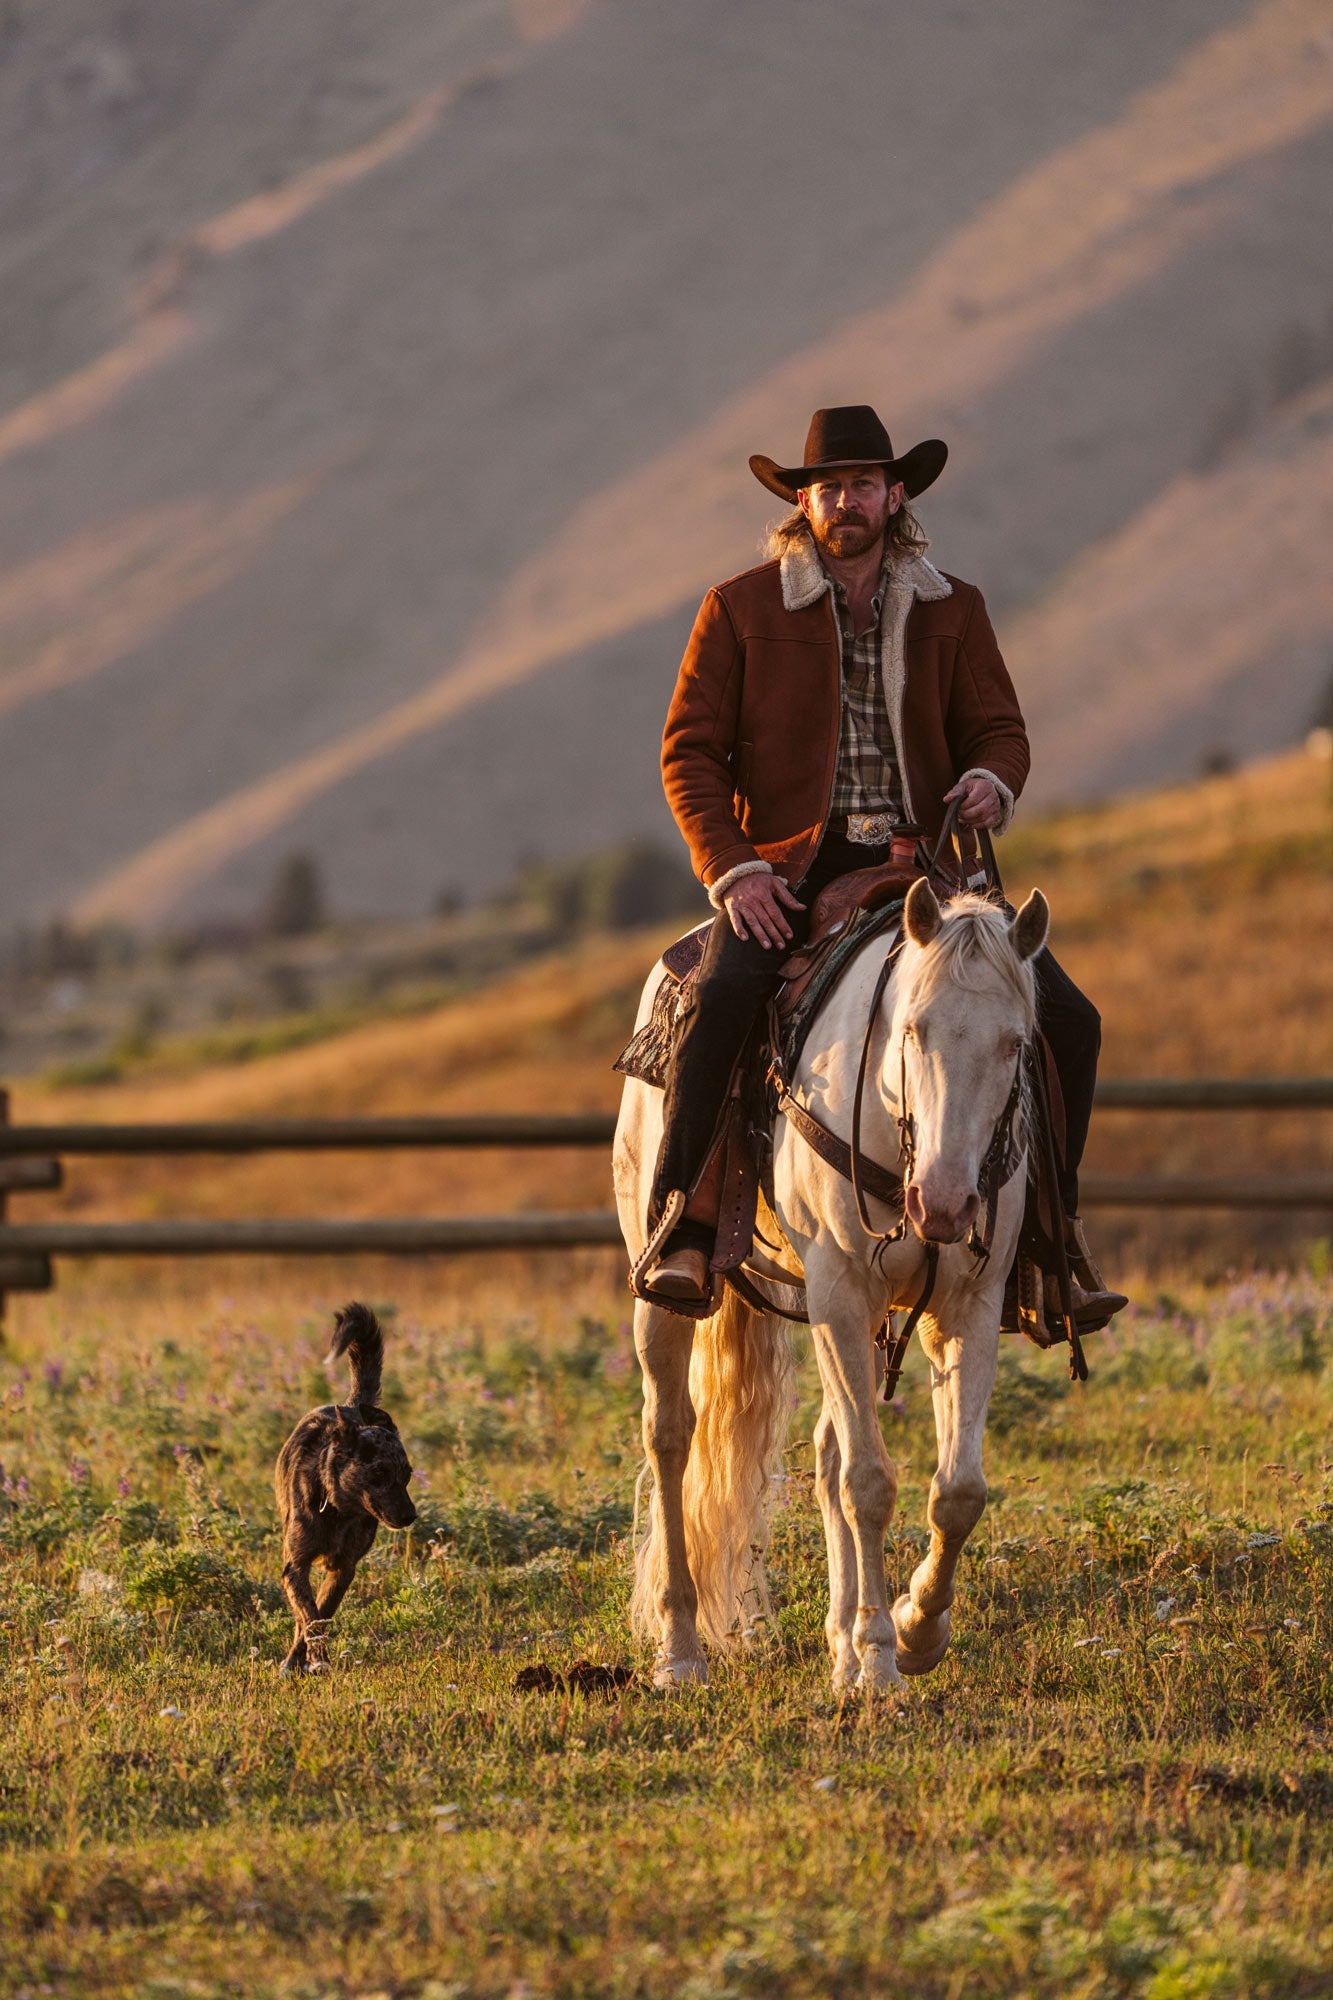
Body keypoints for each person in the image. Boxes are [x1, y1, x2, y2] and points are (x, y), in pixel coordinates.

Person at [644, 403, 1125, 1328]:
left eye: (862, 483)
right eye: (827, 487)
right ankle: (684, 1227)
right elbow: (689, 753)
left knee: (1069, 1018)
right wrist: (735, 870)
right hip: (786, 869)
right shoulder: (738, 609)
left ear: (894, 494)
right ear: (803, 502)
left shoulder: (954, 608)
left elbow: (999, 730)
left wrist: (989, 777)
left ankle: (1047, 1250)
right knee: (715, 1000)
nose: (845, 501)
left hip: (932, 870)